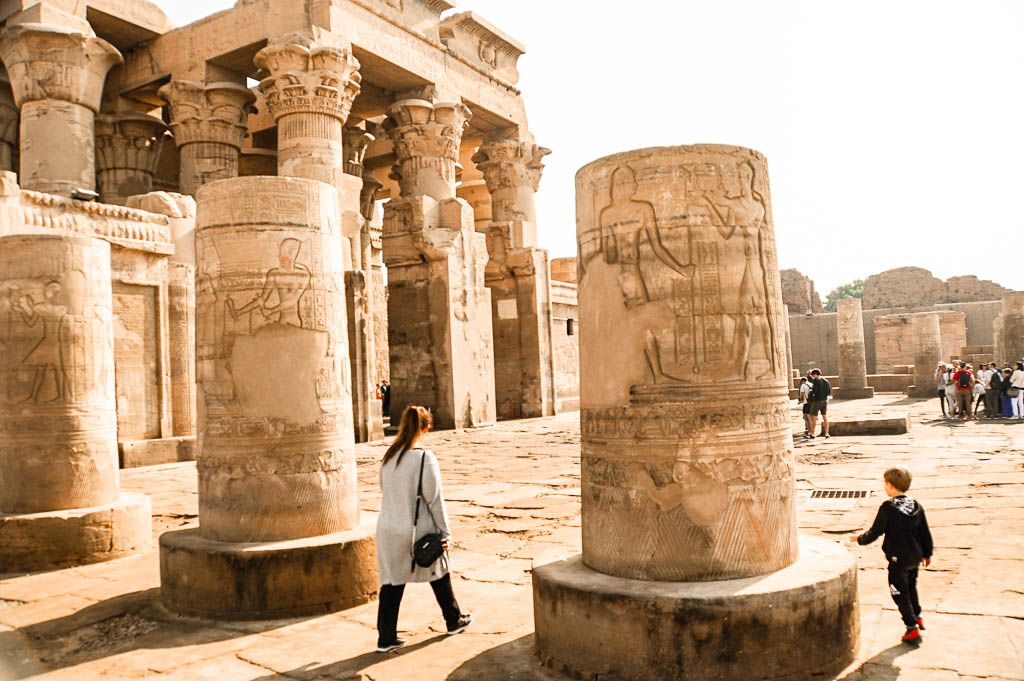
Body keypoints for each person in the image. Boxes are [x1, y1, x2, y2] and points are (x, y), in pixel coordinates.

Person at [375, 406, 472, 653]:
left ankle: (386, 638)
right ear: (426, 428)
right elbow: (434, 499)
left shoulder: (389, 456)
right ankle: (453, 619)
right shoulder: (423, 458)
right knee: (439, 569)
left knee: (391, 582)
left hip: (387, 529)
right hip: (415, 529)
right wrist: (445, 532)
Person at [850, 467, 933, 646]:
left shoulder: (888, 508)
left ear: (890, 485)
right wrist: (927, 553)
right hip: (915, 557)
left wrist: (860, 540)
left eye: (885, 484)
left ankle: (911, 627)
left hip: (898, 559)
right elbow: (924, 532)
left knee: (898, 592)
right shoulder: (916, 505)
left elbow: (876, 531)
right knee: (911, 587)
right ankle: (917, 616)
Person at [806, 368, 830, 439]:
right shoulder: (826, 380)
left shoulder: (816, 380)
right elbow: (828, 392)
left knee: (813, 417)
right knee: (824, 417)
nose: (813, 377)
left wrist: (810, 392)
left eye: (813, 375)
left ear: (815, 374)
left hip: (817, 401)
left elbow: (814, 391)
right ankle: (827, 433)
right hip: (824, 400)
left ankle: (812, 433)